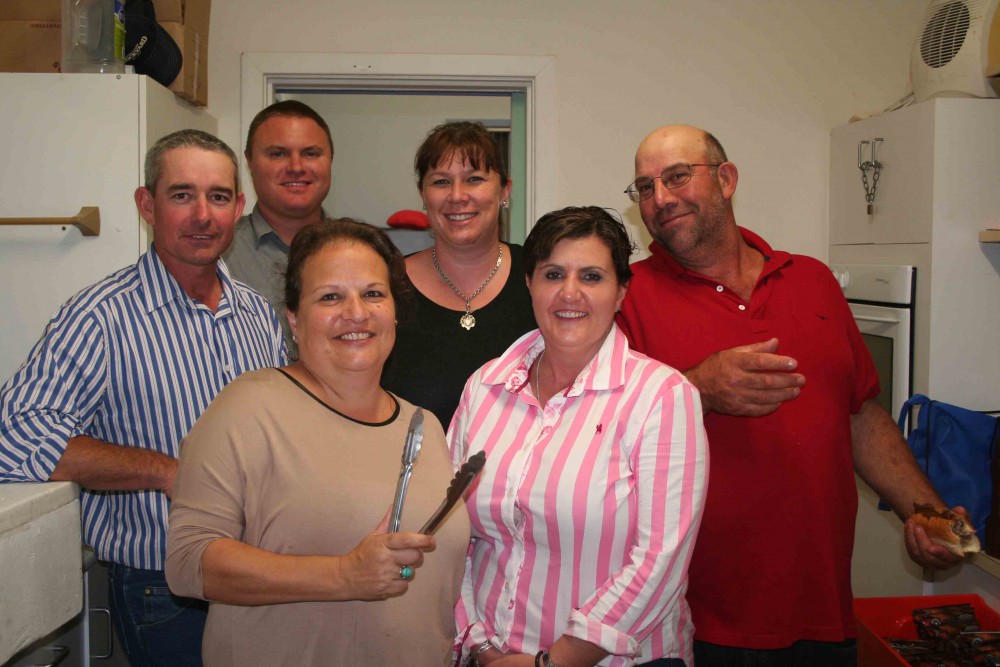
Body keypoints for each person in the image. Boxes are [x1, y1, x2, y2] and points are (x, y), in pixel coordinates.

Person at [617, 125, 962, 667]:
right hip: (692, 623)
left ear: (726, 179)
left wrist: (928, 514)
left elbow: (860, 414)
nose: (659, 198)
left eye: (677, 177)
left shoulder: (814, 280)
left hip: (824, 611)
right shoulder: (626, 295)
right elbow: (598, 436)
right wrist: (696, 388)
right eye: (644, 187)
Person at [0, 129, 287, 666]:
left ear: (238, 207)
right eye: (182, 195)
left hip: (258, 571)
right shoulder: (100, 317)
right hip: (164, 589)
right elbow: (14, 436)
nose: (202, 215)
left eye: (218, 196)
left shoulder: (256, 314)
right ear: (147, 205)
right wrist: (165, 472)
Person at [166, 219, 470, 666]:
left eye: (373, 293)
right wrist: (343, 575)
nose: (356, 312)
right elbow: (188, 563)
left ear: (394, 311)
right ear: (293, 318)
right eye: (330, 297)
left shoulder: (423, 426)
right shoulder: (249, 408)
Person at [450, 206, 708, 667]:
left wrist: (554, 663)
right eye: (553, 274)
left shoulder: (662, 397)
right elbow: (450, 534)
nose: (570, 293)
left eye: (591, 276)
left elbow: (660, 560)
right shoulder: (483, 387)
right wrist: (481, 648)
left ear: (621, 292)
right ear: (529, 284)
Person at [382, 121, 537, 428]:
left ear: (505, 190)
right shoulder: (386, 286)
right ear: (423, 195)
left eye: (474, 179)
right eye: (441, 182)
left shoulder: (540, 276)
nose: (457, 195)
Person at [224, 99, 334, 356]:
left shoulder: (365, 254)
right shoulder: (218, 256)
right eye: (277, 154)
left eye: (310, 154)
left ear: (331, 160)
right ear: (249, 162)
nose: (296, 167)